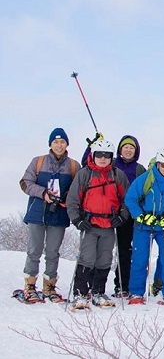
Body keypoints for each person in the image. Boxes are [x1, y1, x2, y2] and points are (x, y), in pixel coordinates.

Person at [66, 140, 130, 308]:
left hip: (109, 224)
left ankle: (98, 291)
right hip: (89, 224)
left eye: (107, 155)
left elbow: (127, 200)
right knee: (87, 258)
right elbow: (72, 199)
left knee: (104, 259)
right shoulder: (84, 174)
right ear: (93, 156)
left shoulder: (118, 175)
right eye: (99, 155)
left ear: (111, 157)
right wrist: (77, 220)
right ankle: (80, 293)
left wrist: (122, 217)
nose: (103, 158)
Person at [19, 128, 81, 303]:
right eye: (56, 142)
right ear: (50, 144)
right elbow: (25, 183)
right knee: (34, 251)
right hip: (37, 212)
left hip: (59, 214)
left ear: (67, 144)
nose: (59, 145)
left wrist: (67, 197)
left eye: (62, 142)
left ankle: (50, 286)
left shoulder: (74, 166)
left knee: (53, 252)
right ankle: (30, 286)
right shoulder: (38, 162)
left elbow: (78, 188)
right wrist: (43, 193)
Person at [125, 148, 164, 306]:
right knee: (140, 259)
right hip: (144, 225)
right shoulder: (145, 179)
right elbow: (131, 199)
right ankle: (136, 293)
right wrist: (140, 215)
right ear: (158, 164)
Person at [111, 135, 147, 297]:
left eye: (131, 147)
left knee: (129, 251)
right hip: (111, 213)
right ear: (120, 149)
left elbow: (145, 191)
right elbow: (88, 162)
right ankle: (115, 285)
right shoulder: (110, 163)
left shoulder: (140, 169)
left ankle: (126, 285)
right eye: (125, 147)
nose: (128, 150)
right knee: (113, 250)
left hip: (131, 215)